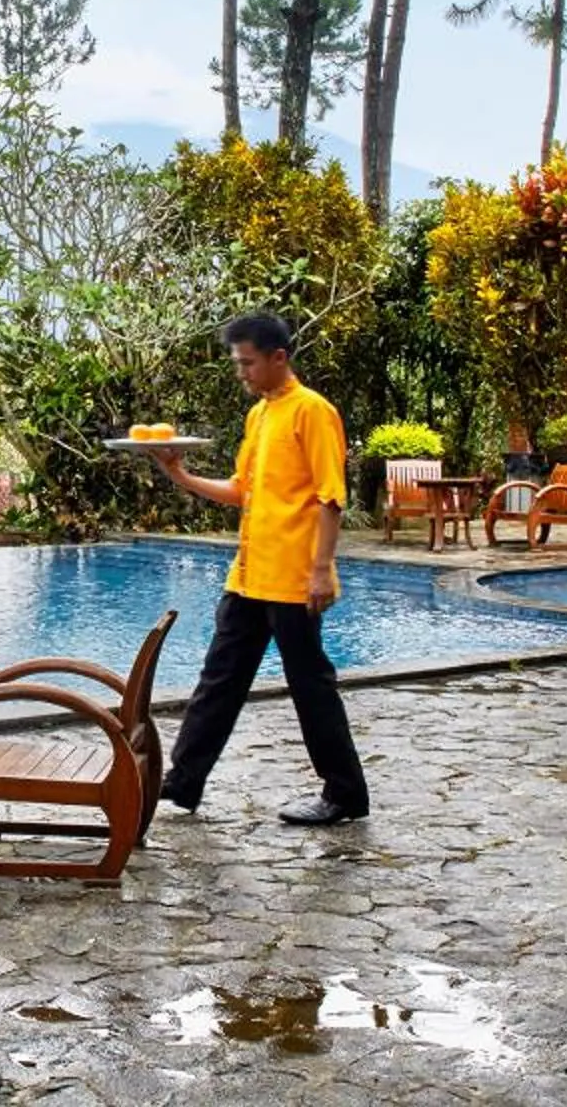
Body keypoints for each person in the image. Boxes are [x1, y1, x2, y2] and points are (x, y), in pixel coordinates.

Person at [147, 311, 371, 825]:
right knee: (218, 680)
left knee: (311, 687)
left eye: (248, 363)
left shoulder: (311, 412)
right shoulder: (260, 416)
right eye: (237, 363)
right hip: (249, 577)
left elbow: (330, 497)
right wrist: (178, 472)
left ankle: (345, 795)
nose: (241, 373)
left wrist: (321, 569)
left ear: (278, 358)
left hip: (293, 580)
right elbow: (240, 491)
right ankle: (183, 784)